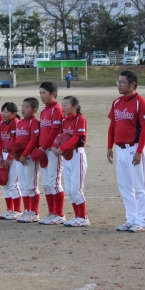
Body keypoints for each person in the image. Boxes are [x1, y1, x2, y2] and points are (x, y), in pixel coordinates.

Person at [107, 70, 145, 233]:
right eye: (118, 82)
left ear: (132, 84)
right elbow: (113, 125)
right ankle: (131, 218)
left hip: (135, 149)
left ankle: (142, 220)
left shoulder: (141, 102)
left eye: (122, 82)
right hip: (120, 149)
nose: (119, 85)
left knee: (140, 187)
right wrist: (109, 147)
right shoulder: (117, 102)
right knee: (124, 186)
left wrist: (139, 151)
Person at [52, 96, 90, 227]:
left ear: (75, 107)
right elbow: (60, 136)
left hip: (76, 154)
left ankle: (83, 217)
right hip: (66, 155)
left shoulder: (80, 119)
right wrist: (54, 146)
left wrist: (61, 148)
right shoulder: (64, 121)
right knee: (69, 188)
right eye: (62, 105)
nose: (63, 107)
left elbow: (76, 137)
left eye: (66, 105)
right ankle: (77, 216)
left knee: (76, 188)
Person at [38, 81, 66, 225]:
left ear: (53, 94)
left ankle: (59, 214)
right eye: (40, 93)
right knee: (47, 184)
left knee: (55, 182)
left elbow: (54, 131)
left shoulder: (57, 109)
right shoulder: (44, 111)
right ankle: (51, 213)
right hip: (44, 150)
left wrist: (44, 147)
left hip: (53, 151)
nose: (42, 96)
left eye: (44, 93)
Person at [15, 98, 41, 223]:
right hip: (20, 157)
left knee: (32, 185)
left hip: (29, 157)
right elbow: (17, 141)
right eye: (22, 106)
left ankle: (34, 212)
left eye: (27, 107)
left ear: (34, 110)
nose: (23, 109)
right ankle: (27, 210)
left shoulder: (34, 122)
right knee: (23, 185)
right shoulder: (19, 123)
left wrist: (25, 154)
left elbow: (33, 140)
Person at [0, 102, 21, 220]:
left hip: (13, 155)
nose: (3, 114)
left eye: (6, 111)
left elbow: (14, 142)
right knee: (4, 183)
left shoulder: (15, 123)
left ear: (14, 114)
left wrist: (10, 157)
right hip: (4, 154)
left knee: (12, 183)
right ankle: (9, 209)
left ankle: (17, 210)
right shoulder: (2, 123)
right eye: (3, 111)